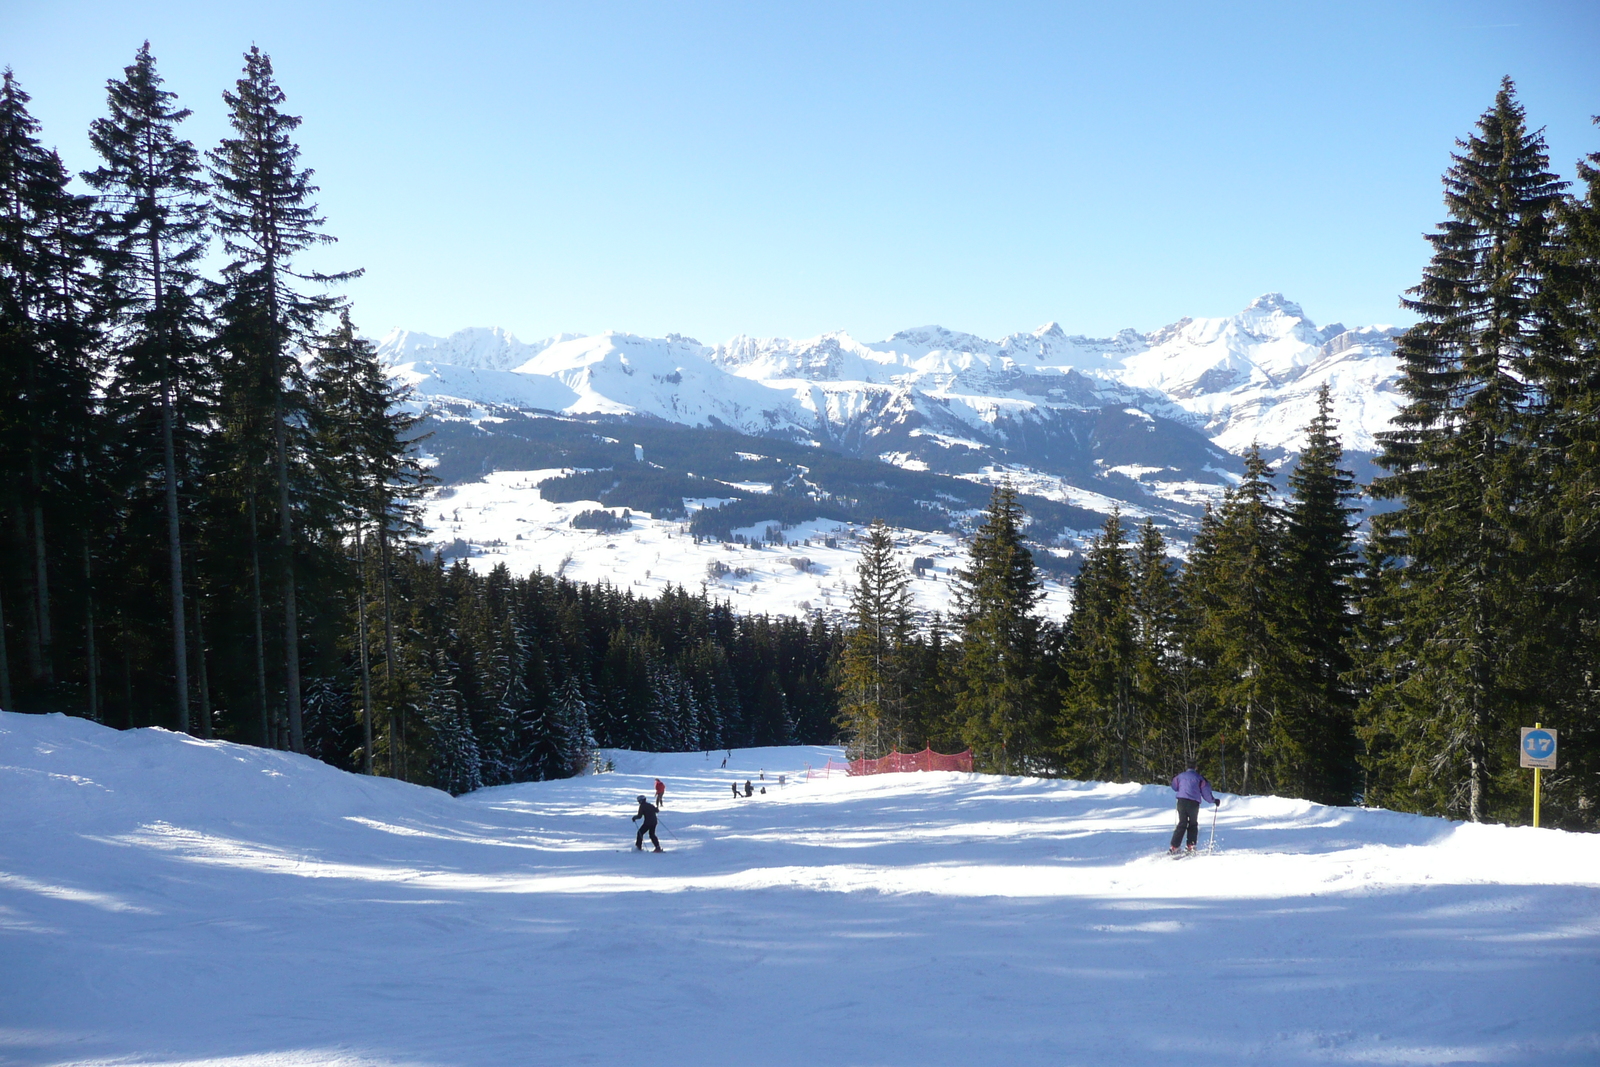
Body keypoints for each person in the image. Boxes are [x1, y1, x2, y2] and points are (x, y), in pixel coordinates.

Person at [1170, 761, 1219, 853]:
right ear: (1196, 767)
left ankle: (1174, 846)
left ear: (1187, 766)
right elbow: (1206, 792)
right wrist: (1213, 800)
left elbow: (1174, 786)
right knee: (1193, 823)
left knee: (1182, 823)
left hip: (1181, 801)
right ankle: (1190, 845)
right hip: (1193, 803)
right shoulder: (1199, 778)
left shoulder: (1180, 776)